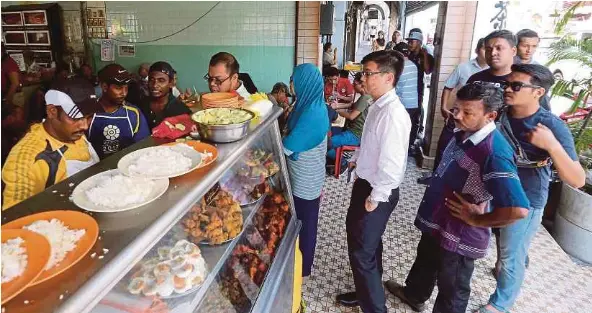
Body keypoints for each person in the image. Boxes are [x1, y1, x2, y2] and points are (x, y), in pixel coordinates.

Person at [385, 82, 530, 313]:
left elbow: (518, 209)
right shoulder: (464, 131)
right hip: (439, 221)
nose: (457, 116)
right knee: (426, 260)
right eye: (456, 109)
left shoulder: (494, 152)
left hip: (460, 233)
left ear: (490, 116)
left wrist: (478, 220)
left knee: (452, 286)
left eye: (467, 112)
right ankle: (414, 295)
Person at [479, 64, 585, 313]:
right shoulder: (501, 112)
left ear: (538, 92)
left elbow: (578, 179)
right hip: (494, 188)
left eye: (516, 86)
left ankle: (500, 304)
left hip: (526, 198)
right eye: (506, 84)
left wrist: (551, 146)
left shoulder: (551, 126)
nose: (507, 89)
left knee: (511, 256)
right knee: (499, 246)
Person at [335, 50, 411, 313]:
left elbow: (392, 164)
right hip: (366, 182)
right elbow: (368, 142)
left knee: (362, 251)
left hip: (378, 190)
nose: (363, 78)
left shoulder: (393, 114)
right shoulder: (377, 105)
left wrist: (375, 198)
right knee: (365, 243)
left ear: (388, 77)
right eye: (363, 73)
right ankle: (365, 290)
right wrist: (357, 158)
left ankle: (375, 308)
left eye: (368, 73)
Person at [2, 78, 102, 210]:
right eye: (76, 118)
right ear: (52, 111)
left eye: (89, 117)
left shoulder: (72, 131)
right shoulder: (27, 160)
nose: (84, 125)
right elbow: (12, 220)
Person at [418, 38, 489, 185]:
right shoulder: (464, 68)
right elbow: (448, 87)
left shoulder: (492, 74)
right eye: (485, 49)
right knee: (444, 145)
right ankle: (436, 176)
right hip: (458, 115)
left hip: (479, 121)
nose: (490, 53)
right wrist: (443, 107)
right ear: (477, 50)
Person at [282, 63, 329, 277]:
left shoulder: (313, 113)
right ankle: (299, 261)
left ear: (303, 83)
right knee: (303, 220)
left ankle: (304, 268)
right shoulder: (307, 103)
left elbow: (288, 146)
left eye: (293, 80)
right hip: (303, 176)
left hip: (306, 181)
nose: (291, 84)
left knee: (306, 224)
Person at [87, 64, 150, 159]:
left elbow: (143, 147)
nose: (124, 93)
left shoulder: (133, 113)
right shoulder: (88, 113)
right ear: (104, 87)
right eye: (118, 88)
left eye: (126, 88)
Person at [327, 72, 372, 170]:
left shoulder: (365, 98)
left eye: (355, 84)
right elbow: (351, 105)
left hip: (355, 135)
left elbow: (351, 116)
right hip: (355, 131)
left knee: (325, 144)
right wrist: (337, 106)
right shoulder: (365, 96)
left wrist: (338, 111)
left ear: (361, 85)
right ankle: (334, 158)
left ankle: (343, 162)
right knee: (332, 133)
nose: (353, 86)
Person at [139, 61, 191, 130]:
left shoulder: (181, 110)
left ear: (171, 84)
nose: (155, 85)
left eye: (161, 80)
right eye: (151, 80)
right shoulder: (140, 106)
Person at [406, 29, 435, 141]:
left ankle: (412, 141)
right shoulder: (408, 54)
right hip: (406, 88)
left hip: (417, 89)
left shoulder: (425, 55)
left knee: (415, 115)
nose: (409, 44)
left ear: (418, 42)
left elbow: (428, 71)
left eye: (411, 42)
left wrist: (425, 55)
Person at [394, 42, 420, 151]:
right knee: (408, 129)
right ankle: (407, 149)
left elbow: (395, 88)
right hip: (413, 103)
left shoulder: (399, 67)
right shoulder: (413, 65)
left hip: (403, 104)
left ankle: (400, 151)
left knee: (400, 131)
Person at [2, 43, 25, 165]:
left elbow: (15, 83)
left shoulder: (8, 63)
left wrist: (7, 101)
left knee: (11, 127)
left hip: (10, 99)